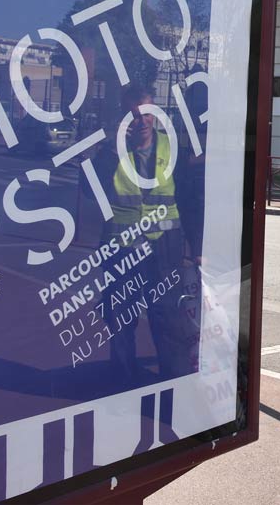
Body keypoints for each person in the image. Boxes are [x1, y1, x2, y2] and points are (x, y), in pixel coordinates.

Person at [91, 84, 199, 387]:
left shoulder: (172, 148)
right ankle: (122, 383)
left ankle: (174, 382)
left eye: (147, 115)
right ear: (124, 119)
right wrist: (111, 152)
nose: (142, 123)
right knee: (120, 318)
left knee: (167, 316)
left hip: (164, 248)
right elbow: (89, 193)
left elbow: (189, 200)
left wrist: (197, 245)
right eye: (134, 116)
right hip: (121, 248)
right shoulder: (110, 152)